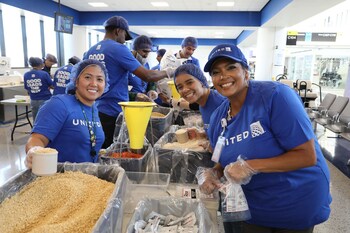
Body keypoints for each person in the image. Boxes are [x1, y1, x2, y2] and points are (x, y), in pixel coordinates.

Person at [199, 43, 332, 233]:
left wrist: (250, 166)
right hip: (253, 206)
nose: (223, 76)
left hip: (295, 201)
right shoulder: (218, 117)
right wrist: (213, 173)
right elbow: (223, 160)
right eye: (216, 71)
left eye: (231, 67)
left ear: (246, 72)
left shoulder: (276, 97)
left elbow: (307, 156)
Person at [83, 15, 175, 148]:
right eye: (124, 36)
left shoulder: (90, 51)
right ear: (118, 31)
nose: (123, 41)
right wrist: (168, 72)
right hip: (112, 111)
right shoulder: (118, 49)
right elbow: (148, 76)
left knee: (98, 148)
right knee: (113, 150)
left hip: (93, 109)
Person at [24, 59, 109, 167]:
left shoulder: (93, 109)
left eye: (100, 79)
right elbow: (37, 138)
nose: (94, 84)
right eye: (87, 77)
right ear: (76, 81)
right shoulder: (59, 104)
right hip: (60, 178)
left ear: (105, 84)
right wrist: (34, 150)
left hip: (87, 179)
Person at [174, 63, 225, 131]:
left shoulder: (221, 104)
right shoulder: (202, 103)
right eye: (180, 87)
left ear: (202, 81)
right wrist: (203, 135)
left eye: (189, 82)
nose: (185, 90)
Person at [24, 57, 53, 122]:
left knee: (36, 119)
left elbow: (27, 88)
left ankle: (36, 131)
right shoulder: (44, 74)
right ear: (40, 64)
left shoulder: (26, 75)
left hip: (33, 100)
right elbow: (52, 85)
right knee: (46, 118)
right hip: (45, 99)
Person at [128, 35, 157, 101]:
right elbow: (117, 90)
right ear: (134, 50)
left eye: (148, 52)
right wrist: (134, 96)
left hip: (143, 103)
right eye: (144, 51)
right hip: (128, 104)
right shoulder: (126, 65)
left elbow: (150, 80)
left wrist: (152, 90)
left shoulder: (146, 64)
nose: (146, 55)